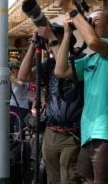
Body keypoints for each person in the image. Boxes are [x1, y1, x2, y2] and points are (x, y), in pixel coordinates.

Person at [54, 0, 108, 184]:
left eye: (96, 21)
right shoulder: (90, 58)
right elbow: (61, 70)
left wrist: (73, 9)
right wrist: (67, 35)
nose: (92, 23)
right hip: (89, 133)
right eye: (90, 21)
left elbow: (93, 42)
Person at [18, 23, 83, 184]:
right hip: (50, 132)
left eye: (53, 38)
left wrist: (52, 39)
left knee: (69, 179)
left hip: (73, 134)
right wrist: (33, 45)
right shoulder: (49, 65)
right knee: (52, 179)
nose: (48, 42)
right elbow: (23, 76)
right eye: (47, 40)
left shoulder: (80, 60)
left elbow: (65, 69)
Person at [9, 60, 30, 134]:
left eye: (15, 69)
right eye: (12, 69)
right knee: (9, 126)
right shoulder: (12, 77)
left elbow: (20, 84)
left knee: (20, 128)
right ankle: (11, 143)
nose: (13, 71)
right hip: (12, 104)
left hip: (22, 106)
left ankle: (21, 144)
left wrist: (11, 77)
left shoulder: (24, 77)